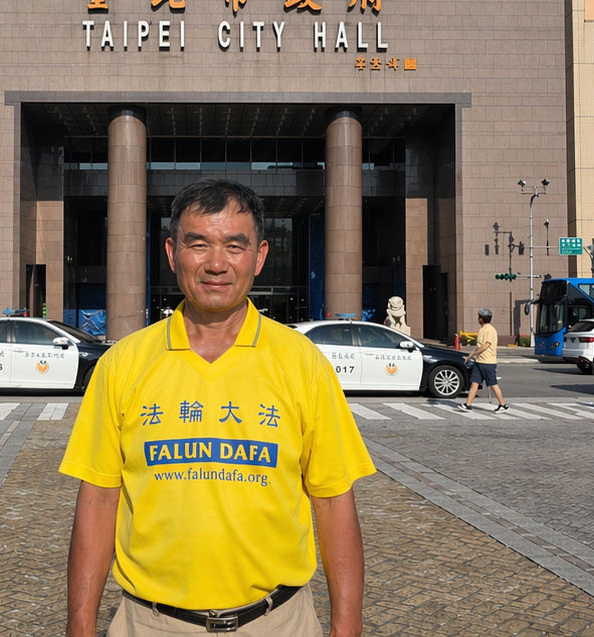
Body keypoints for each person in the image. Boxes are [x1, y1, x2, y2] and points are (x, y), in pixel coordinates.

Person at [61, 179, 373, 637]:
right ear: (172, 254)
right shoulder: (123, 364)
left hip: (278, 622)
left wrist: (347, 627)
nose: (216, 263)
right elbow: (99, 499)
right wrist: (80, 624)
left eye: (234, 246)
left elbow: (332, 500)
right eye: (198, 244)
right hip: (150, 624)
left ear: (259, 257)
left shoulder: (302, 363)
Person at [458, 308, 508, 413]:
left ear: (481, 319)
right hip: (479, 361)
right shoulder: (482, 329)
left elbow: (486, 345)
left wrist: (475, 353)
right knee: (474, 382)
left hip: (488, 362)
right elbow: (479, 346)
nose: (477, 319)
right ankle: (468, 404)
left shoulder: (490, 330)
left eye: (479, 317)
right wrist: (470, 356)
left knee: (493, 384)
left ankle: (502, 405)